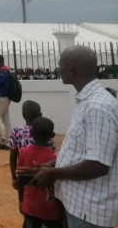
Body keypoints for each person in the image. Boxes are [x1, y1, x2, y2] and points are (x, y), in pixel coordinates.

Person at [22, 45, 118, 228]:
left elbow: (98, 165)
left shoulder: (97, 107)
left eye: (60, 65)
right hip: (80, 203)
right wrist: (55, 164)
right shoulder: (86, 100)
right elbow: (83, 150)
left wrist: (55, 173)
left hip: (90, 210)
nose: (58, 69)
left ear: (70, 70)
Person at [7, 101, 56, 213]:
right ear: (40, 114)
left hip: (24, 171)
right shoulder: (47, 132)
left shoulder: (17, 131)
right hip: (44, 174)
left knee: (26, 200)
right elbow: (51, 156)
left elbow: (13, 157)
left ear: (23, 115)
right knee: (43, 197)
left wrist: (13, 178)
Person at [16, 117, 63, 228]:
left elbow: (20, 180)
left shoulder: (23, 152)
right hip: (51, 210)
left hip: (29, 206)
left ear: (31, 133)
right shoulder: (55, 159)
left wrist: (21, 201)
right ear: (52, 135)